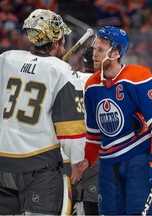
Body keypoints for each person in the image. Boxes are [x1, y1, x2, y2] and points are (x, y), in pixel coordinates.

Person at [0, 9, 86, 215]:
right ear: (56, 43)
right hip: (39, 168)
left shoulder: (6, 59)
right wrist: (77, 163)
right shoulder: (61, 71)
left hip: (0, 164)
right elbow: (71, 130)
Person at [72, 26, 152, 215]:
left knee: (137, 212)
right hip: (108, 162)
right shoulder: (92, 85)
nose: (93, 54)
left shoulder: (137, 77)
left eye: (100, 50)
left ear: (116, 52)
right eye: (94, 48)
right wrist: (87, 159)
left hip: (138, 158)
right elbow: (94, 132)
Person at [61, 46, 99, 216]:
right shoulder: (102, 83)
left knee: (69, 204)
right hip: (91, 153)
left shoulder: (66, 78)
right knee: (93, 204)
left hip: (64, 153)